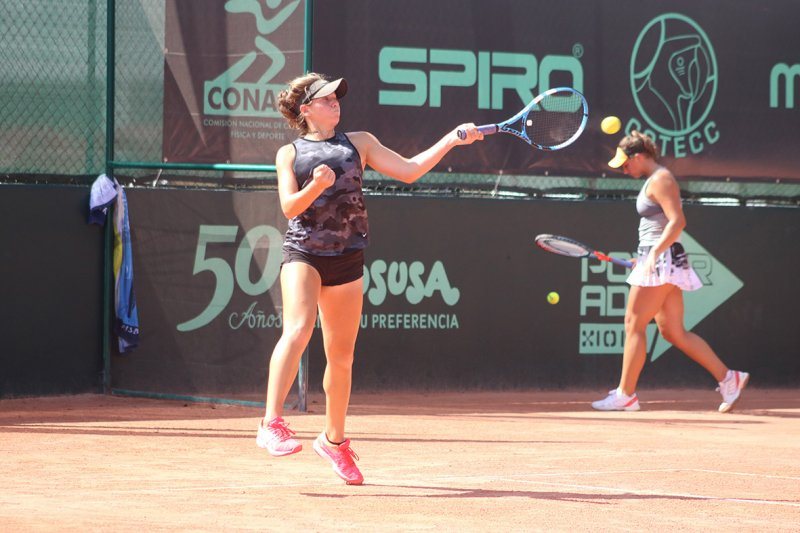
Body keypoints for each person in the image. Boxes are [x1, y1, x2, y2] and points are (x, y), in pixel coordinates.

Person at [255, 73, 483, 484]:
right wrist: (316, 186)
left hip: (348, 257)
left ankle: (334, 442)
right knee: (299, 329)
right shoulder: (289, 153)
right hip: (304, 252)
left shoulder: (359, 143)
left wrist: (451, 139)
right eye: (326, 99)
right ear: (306, 110)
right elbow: (290, 207)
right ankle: (272, 422)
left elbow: (410, 171)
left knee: (341, 357)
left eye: (336, 98)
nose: (335, 103)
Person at [592, 131, 748, 413]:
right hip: (660, 259)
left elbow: (678, 222)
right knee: (673, 332)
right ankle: (729, 378)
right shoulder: (654, 180)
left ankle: (626, 395)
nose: (624, 170)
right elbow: (657, 227)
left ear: (640, 156)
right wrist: (643, 256)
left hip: (662, 260)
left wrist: (653, 254)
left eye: (626, 163)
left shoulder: (661, 179)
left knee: (633, 323)